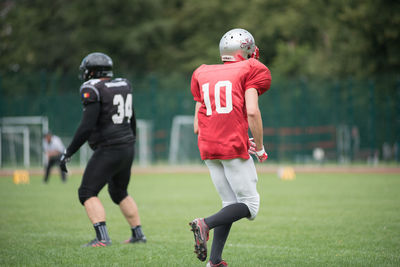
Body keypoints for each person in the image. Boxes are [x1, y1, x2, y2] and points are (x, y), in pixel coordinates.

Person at [189, 28, 271, 267]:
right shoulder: (251, 68)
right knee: (250, 206)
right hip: (231, 147)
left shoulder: (202, 72)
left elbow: (197, 125)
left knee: (230, 203)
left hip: (208, 146)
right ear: (246, 50)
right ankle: (205, 223)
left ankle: (214, 262)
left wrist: (240, 137)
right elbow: (252, 110)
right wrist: (260, 146)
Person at [59, 52, 146, 247]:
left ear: (92, 71)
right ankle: (138, 234)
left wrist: (69, 152)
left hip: (109, 148)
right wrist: (131, 141)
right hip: (126, 145)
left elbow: (87, 126)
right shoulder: (123, 84)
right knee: (119, 191)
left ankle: (102, 238)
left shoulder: (93, 89)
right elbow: (132, 117)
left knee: (87, 192)